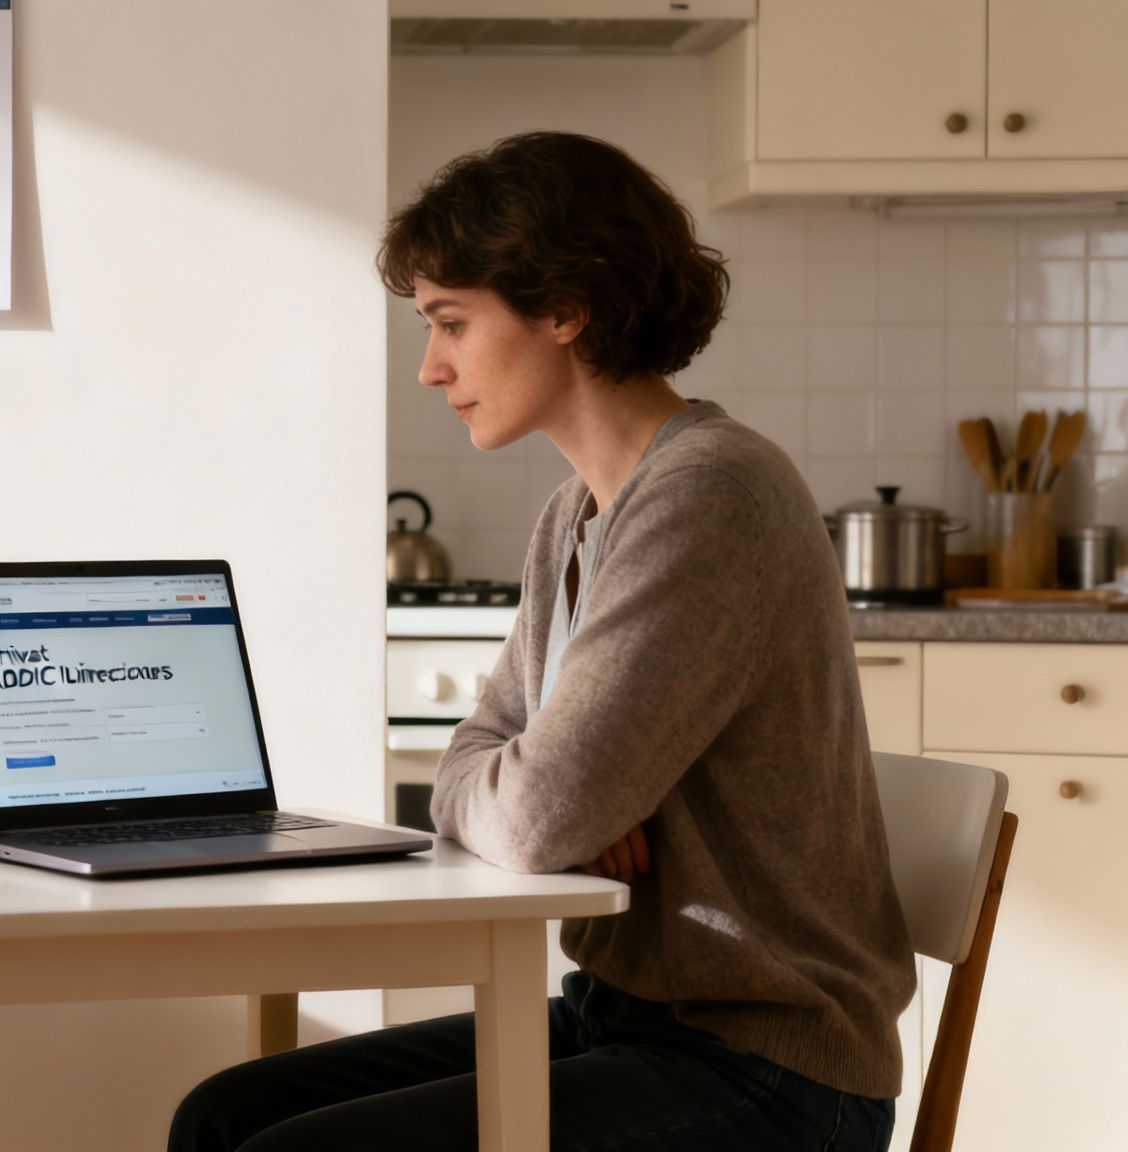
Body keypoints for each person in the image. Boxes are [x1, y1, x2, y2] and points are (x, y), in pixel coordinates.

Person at [167, 131, 916, 1152]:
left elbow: (534, 817)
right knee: (224, 1113)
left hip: (767, 1066)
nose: (431, 367)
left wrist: (550, 794)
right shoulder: (573, 515)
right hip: (616, 1015)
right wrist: (538, 788)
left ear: (566, 308)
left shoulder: (709, 493)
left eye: (450, 323)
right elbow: (480, 767)